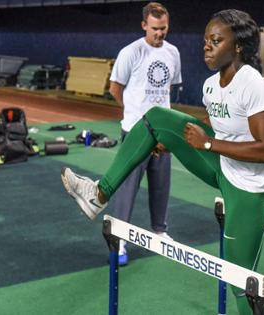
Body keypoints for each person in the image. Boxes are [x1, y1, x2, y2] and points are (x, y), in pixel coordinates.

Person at [61, 9, 264, 314]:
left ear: (238, 47)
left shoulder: (254, 85)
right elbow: (220, 119)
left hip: (250, 188)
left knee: (240, 279)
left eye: (215, 41)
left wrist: (207, 143)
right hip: (221, 167)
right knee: (154, 119)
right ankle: (98, 195)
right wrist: (175, 140)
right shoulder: (211, 85)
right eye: (206, 40)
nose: (206, 46)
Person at [108, 2, 181, 266]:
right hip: (136, 133)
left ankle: (160, 233)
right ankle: (119, 242)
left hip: (163, 135)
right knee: (127, 189)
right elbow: (115, 88)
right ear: (143, 26)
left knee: (161, 186)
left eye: (163, 28)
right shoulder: (131, 52)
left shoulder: (173, 53)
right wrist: (134, 117)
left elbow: (169, 91)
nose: (159, 33)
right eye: (154, 29)